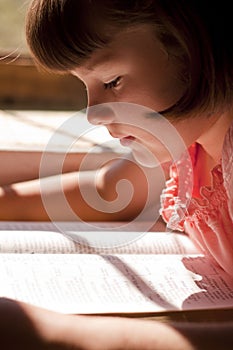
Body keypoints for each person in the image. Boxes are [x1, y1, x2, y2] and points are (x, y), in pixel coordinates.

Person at [0, 0, 233, 348]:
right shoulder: (186, 146)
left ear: (191, 45)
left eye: (112, 80)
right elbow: (109, 189)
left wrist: (58, 335)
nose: (93, 114)